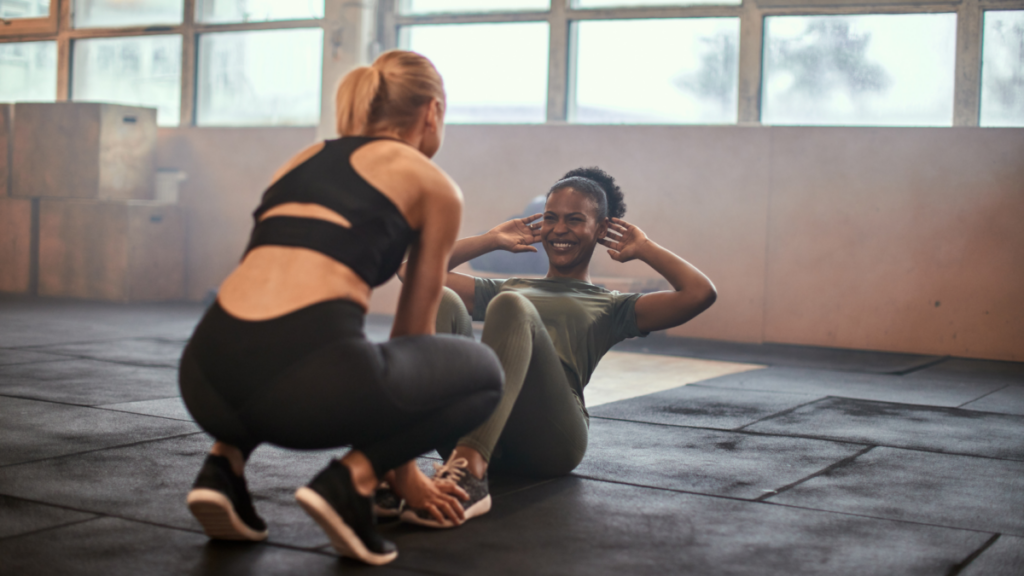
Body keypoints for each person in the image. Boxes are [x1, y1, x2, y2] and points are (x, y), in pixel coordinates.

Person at [177, 50, 504, 565]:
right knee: (484, 372)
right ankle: (348, 484)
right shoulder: (432, 183)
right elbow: (412, 336)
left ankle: (223, 469)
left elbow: (262, 280)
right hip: (306, 393)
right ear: (432, 112)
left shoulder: (302, 159)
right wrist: (403, 477)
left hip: (202, 377)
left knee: (275, 349)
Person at [396, 167, 716, 528]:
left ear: (601, 229)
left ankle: (471, 470)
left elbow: (699, 293)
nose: (559, 229)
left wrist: (645, 249)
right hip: (480, 426)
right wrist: (489, 239)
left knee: (511, 305)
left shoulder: (613, 306)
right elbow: (412, 272)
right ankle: (399, 466)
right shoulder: (510, 285)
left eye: (575, 220)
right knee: (443, 299)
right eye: (551, 218)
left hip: (550, 440)